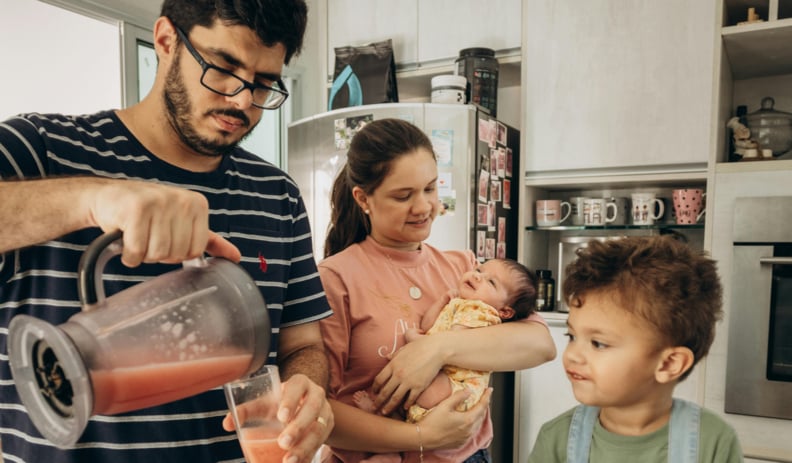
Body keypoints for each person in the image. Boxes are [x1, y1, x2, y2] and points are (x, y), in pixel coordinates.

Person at [0, 1, 334, 462]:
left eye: (263, 84)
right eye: (223, 68)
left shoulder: (278, 195)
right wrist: (90, 199)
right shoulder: (44, 150)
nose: (241, 101)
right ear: (165, 40)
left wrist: (309, 391)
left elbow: (303, 344)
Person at [318, 118, 556, 463]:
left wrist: (437, 348)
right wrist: (422, 436)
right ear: (363, 199)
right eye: (403, 196)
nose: (424, 207)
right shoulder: (336, 278)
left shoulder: (464, 268)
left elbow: (541, 345)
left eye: (430, 188)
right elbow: (318, 410)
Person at [528, 235, 743, 463]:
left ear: (669, 364)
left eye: (598, 343)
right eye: (571, 336)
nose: (572, 354)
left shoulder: (713, 443)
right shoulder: (555, 440)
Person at [352, 257, 539, 463]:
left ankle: (383, 427)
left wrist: (414, 342)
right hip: (441, 383)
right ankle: (388, 453)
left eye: (491, 282)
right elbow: (429, 325)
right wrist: (442, 302)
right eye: (479, 269)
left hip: (456, 389)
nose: (477, 275)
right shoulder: (459, 304)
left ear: (505, 311)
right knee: (406, 394)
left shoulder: (484, 314)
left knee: (413, 382)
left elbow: (454, 340)